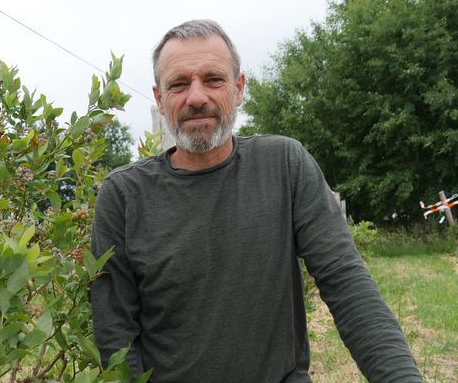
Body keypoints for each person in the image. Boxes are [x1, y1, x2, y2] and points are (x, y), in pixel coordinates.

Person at [89, 19, 422, 382]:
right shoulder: (123, 195)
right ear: (159, 98)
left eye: (213, 80)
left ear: (239, 88)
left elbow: (347, 283)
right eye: (179, 84)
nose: (196, 97)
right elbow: (115, 335)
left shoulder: (284, 164)